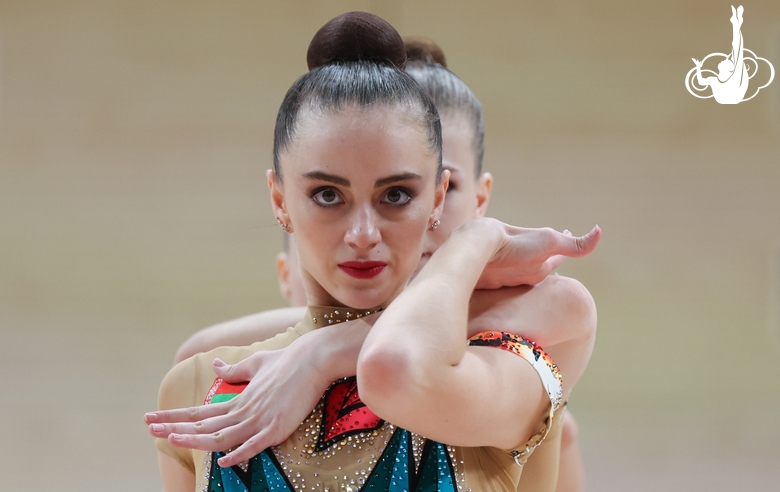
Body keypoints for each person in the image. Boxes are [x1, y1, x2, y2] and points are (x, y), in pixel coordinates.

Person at [148, 12, 599, 492]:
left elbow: (397, 366)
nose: (363, 234)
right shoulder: (197, 385)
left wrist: (474, 238)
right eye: (327, 194)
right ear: (280, 199)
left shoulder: (504, 364)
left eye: (396, 195)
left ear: (438, 198)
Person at [692, 5, 748, 104]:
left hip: (732, 96)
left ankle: (736, 24)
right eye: (727, 61)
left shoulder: (731, 78)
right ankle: (736, 23)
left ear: (729, 69)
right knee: (737, 52)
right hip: (730, 97)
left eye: (726, 62)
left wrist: (698, 68)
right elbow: (701, 82)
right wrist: (698, 67)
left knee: (737, 51)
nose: (724, 60)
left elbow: (737, 49)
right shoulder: (715, 80)